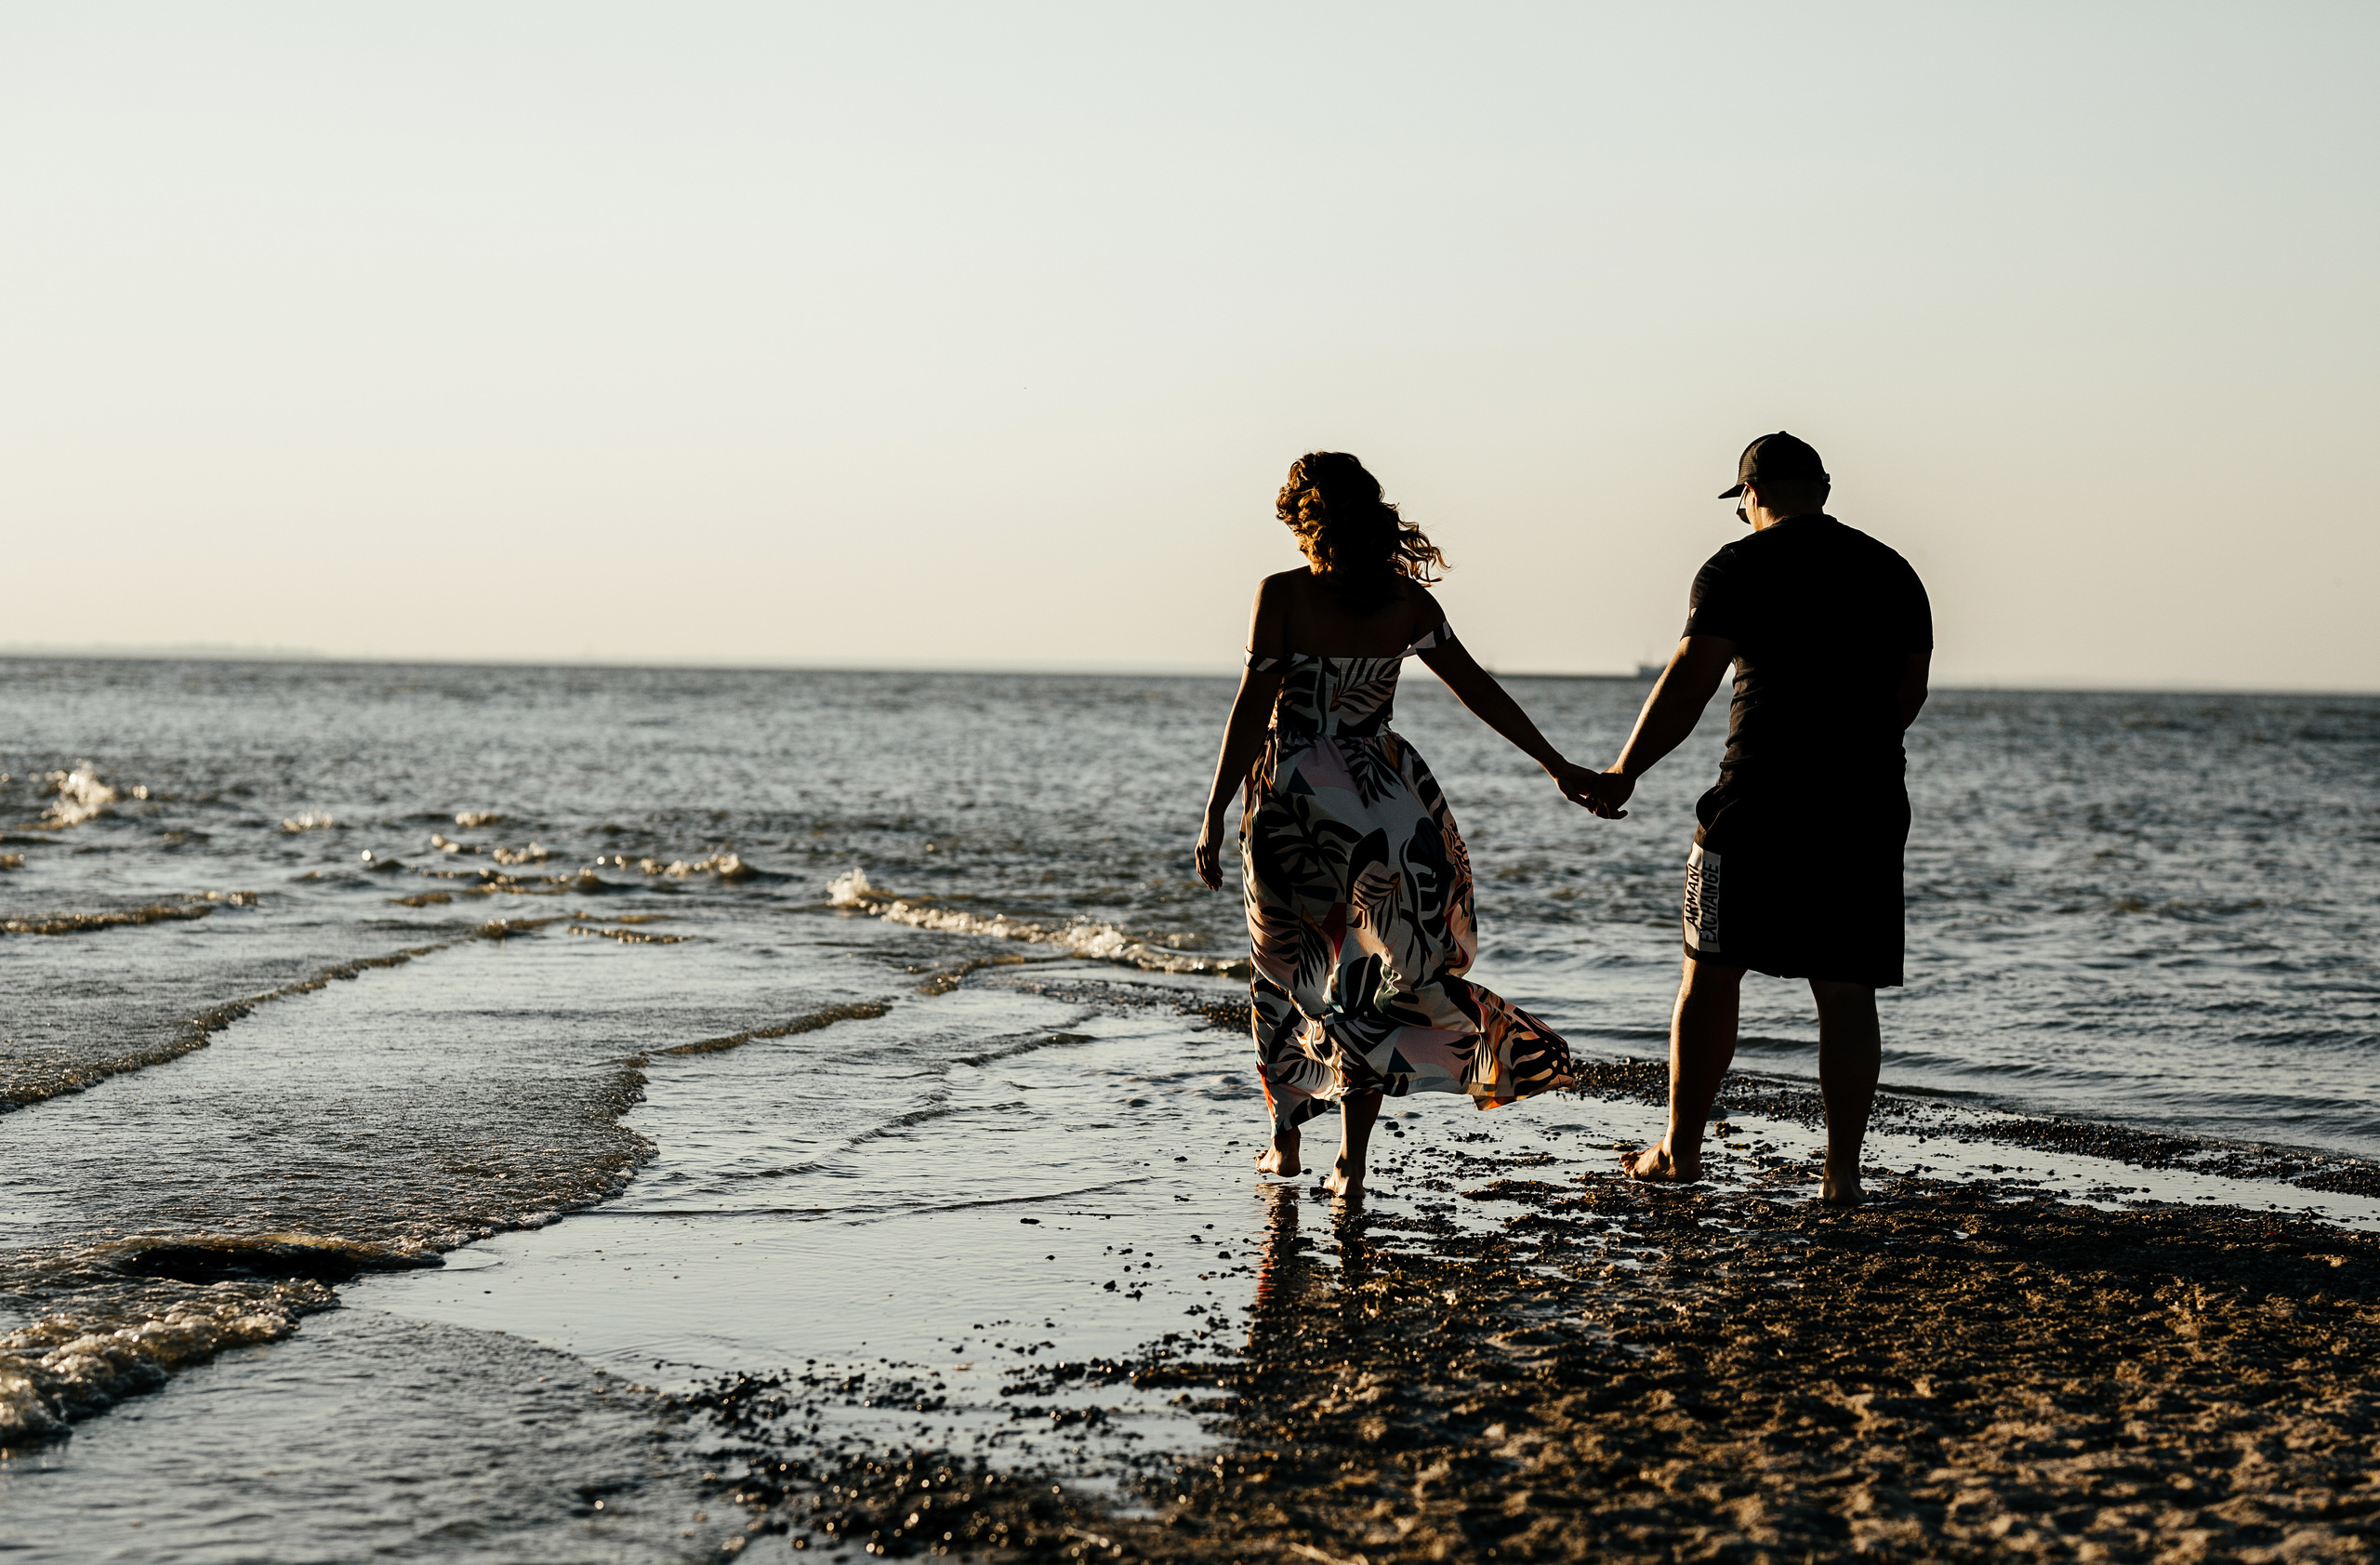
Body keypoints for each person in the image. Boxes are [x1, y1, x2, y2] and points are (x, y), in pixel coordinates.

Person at [1195, 452, 1594, 1199]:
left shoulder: (1279, 596)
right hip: (1383, 801)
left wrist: (1215, 809)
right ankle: (1353, 1160)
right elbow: (1481, 690)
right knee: (1370, 981)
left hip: (1294, 805)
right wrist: (1556, 763)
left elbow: (1253, 707)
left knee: (1287, 972)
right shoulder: (1409, 604)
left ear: (1306, 520)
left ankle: (1284, 1141)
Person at [1569, 432, 1931, 1205]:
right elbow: (1908, 696)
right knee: (1845, 989)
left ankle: (1680, 1150)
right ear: (1824, 488)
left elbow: (1690, 683)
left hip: (1758, 798)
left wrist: (1623, 771)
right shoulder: (1894, 571)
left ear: (1751, 496)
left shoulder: (1737, 566)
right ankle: (1841, 1175)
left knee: (1709, 972)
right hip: (1865, 803)